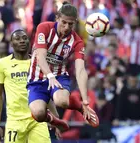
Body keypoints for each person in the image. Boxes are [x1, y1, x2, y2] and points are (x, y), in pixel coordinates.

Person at [27, 1, 99, 131]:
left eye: (70, 24)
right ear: (57, 18)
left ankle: (79, 106)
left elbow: (81, 70)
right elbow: (40, 56)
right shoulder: (44, 28)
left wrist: (85, 99)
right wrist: (49, 76)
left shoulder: (77, 42)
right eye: (63, 22)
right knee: (37, 114)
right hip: (37, 77)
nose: (66, 27)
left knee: (62, 101)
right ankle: (54, 120)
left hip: (59, 75)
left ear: (75, 22)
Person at [0, 29, 61, 143]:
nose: (22, 41)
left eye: (25, 38)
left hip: (37, 120)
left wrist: (56, 119)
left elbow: (44, 94)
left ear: (30, 42)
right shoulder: (2, 64)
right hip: (14, 121)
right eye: (17, 39)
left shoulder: (39, 64)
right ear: (11, 43)